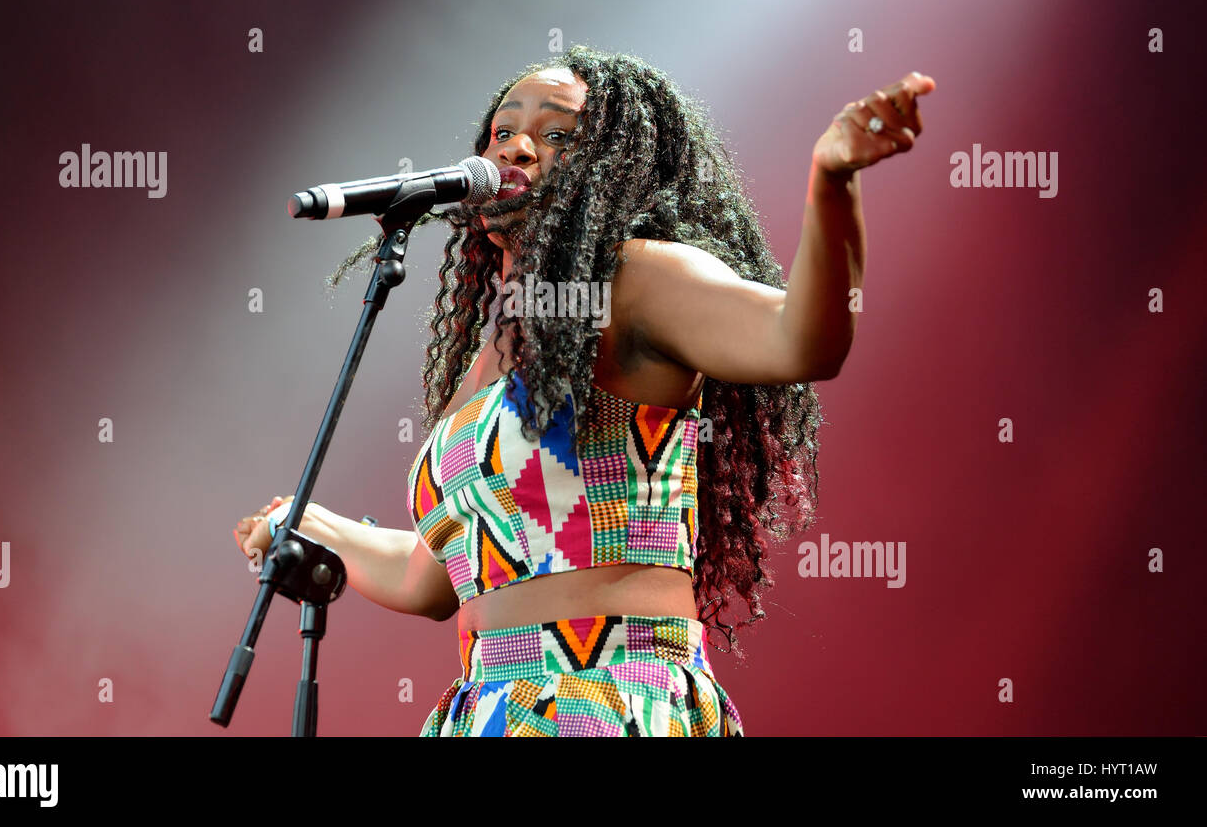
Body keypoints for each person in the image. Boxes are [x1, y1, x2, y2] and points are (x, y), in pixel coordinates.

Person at [234, 45, 935, 736]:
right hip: (490, 709)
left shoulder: (633, 285)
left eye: (556, 135)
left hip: (608, 698)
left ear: (613, 170)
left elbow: (801, 341)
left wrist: (833, 181)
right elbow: (433, 578)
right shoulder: (485, 362)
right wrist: (314, 524)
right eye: (503, 132)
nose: (517, 149)